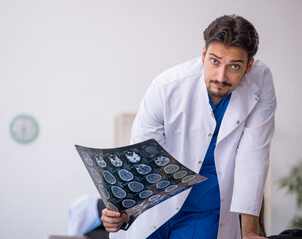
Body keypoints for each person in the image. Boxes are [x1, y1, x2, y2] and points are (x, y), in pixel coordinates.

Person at [101, 14, 277, 239]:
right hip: (153, 205)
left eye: (234, 66)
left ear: (249, 66)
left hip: (205, 211)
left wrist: (250, 231)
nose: (221, 76)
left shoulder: (260, 83)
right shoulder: (166, 88)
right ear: (203, 55)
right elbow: (139, 159)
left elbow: (253, 155)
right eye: (214, 61)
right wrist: (120, 210)